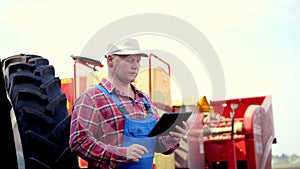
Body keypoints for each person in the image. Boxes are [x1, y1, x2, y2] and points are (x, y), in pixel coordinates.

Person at [69, 38, 188, 169]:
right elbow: (79, 142)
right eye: (130, 60)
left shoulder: (144, 100)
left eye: (138, 61)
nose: (135, 66)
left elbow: (157, 145)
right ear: (110, 60)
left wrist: (172, 138)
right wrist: (121, 154)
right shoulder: (92, 98)